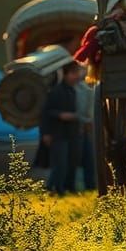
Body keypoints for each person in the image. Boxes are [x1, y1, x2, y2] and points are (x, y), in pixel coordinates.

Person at [40, 63, 81, 196]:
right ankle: (54, 189)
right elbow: (45, 113)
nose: (76, 76)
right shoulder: (55, 91)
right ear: (66, 74)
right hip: (57, 133)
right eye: (73, 73)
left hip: (71, 133)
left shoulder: (72, 91)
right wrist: (60, 115)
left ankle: (70, 187)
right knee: (60, 164)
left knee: (71, 163)